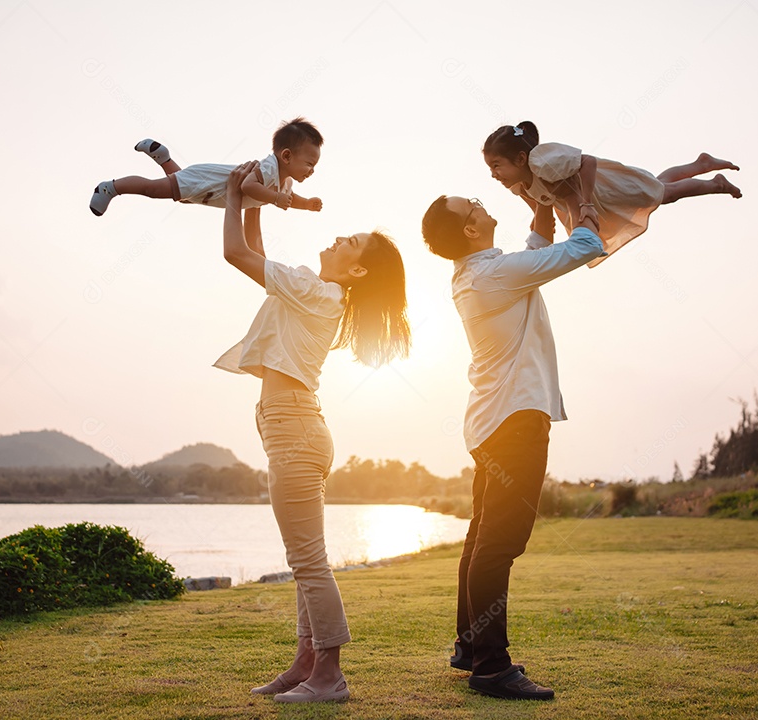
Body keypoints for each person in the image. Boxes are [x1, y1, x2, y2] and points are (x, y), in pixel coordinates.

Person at [216, 161, 411, 703]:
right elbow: (254, 248)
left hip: (295, 428)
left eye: (351, 241)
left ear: (358, 272)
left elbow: (236, 254)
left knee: (308, 562)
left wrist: (234, 194)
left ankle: (330, 675)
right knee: (304, 560)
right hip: (293, 426)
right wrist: (256, 201)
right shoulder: (314, 291)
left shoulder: (317, 292)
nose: (338, 236)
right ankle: (305, 663)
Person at [421, 194, 604, 701]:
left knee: (482, 539)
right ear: (472, 230)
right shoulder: (493, 275)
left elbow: (536, 250)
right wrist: (580, 206)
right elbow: (583, 247)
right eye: (472, 205)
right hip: (514, 421)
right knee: (500, 544)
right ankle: (491, 669)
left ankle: (469, 646)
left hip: (492, 423)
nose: (481, 203)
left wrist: (542, 209)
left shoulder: (480, 271)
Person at [482, 121, 740, 266]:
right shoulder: (518, 185)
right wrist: (541, 222)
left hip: (603, 186)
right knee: (657, 185)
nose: (494, 174)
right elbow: (540, 204)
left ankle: (715, 183)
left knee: (664, 193)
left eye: (496, 165)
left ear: (520, 158)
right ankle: (700, 164)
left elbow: (588, 162)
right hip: (591, 199)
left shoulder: (542, 162)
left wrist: (585, 203)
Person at [89, 117, 324, 216]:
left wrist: (307, 205)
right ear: (286, 156)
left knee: (179, 195)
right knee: (153, 189)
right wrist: (274, 199)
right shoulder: (269, 168)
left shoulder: (285, 182)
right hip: (206, 180)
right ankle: (110, 188)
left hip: (209, 191)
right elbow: (247, 185)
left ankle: (163, 158)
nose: (311, 170)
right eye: (309, 164)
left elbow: (290, 199)